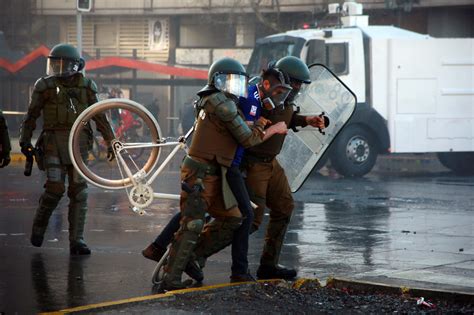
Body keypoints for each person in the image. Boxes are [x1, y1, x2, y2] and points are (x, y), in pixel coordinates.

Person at [142, 67, 293, 282]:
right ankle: (178, 271)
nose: (235, 86)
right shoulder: (225, 102)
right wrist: (271, 129)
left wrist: (257, 124)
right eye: (229, 81)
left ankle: (167, 250)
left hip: (219, 166)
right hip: (218, 167)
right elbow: (248, 138)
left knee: (223, 216)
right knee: (196, 219)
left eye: (237, 81)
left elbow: (242, 126)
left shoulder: (224, 101)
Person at [19, 43, 115, 255]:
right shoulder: (44, 85)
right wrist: (25, 140)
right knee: (54, 189)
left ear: (76, 65)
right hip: (52, 142)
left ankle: (77, 240)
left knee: (79, 192)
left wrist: (111, 141)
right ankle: (38, 229)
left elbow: (99, 116)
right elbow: (32, 114)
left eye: (63, 63)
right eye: (55, 63)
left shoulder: (87, 86)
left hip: (78, 143)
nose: (58, 67)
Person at [245, 56, 326, 280]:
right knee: (250, 220)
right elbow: (253, 128)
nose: (298, 88)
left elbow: (285, 118)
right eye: (295, 82)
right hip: (253, 163)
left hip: (271, 162)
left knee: (284, 207)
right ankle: (195, 255)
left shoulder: (284, 100)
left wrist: (306, 120)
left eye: (301, 84)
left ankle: (268, 265)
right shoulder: (264, 98)